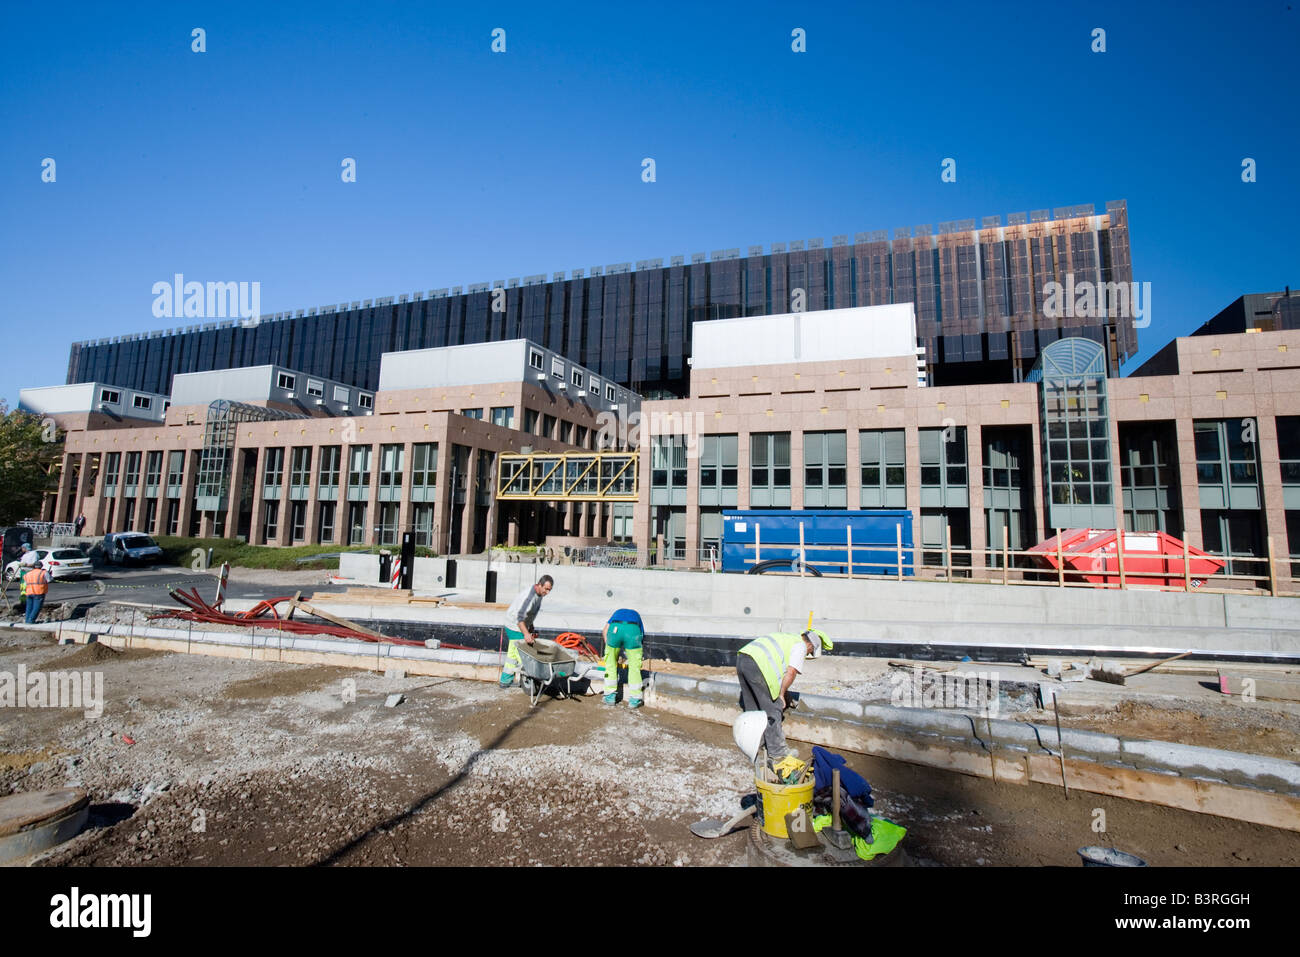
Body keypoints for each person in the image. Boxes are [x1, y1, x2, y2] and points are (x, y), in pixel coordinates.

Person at [735, 628, 832, 768]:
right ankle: (778, 753)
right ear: (810, 645)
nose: (807, 654)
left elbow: (780, 670)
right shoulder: (800, 646)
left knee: (753, 709)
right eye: (810, 652)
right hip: (759, 666)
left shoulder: (787, 638)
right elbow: (791, 673)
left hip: (743, 658)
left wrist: (785, 693)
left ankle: (755, 744)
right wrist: (781, 695)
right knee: (773, 708)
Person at [499, 575, 554, 688]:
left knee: (514, 653)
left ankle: (506, 680)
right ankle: (520, 680)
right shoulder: (529, 597)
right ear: (539, 584)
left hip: (521, 623)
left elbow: (529, 613)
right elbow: (520, 619)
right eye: (546, 589)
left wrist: (530, 625)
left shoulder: (539, 593)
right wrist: (526, 634)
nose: (547, 592)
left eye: (550, 590)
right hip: (514, 624)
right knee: (519, 653)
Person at [602, 608, 645, 708]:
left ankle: (609, 697)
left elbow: (605, 630)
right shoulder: (636, 615)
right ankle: (634, 700)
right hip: (633, 630)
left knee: (610, 664)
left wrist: (609, 649)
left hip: (615, 629)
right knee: (634, 667)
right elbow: (642, 636)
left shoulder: (616, 613)